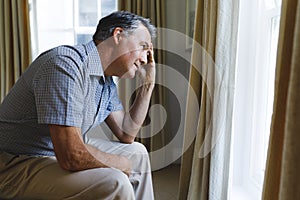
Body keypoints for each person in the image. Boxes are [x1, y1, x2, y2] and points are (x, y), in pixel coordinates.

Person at [0, 11, 156, 200]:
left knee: (136, 154)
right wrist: (119, 163)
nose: (145, 59)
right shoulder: (64, 65)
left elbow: (127, 133)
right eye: (143, 47)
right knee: (115, 182)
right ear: (118, 35)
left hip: (52, 151)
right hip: (15, 163)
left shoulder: (105, 80)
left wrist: (148, 85)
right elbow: (71, 155)